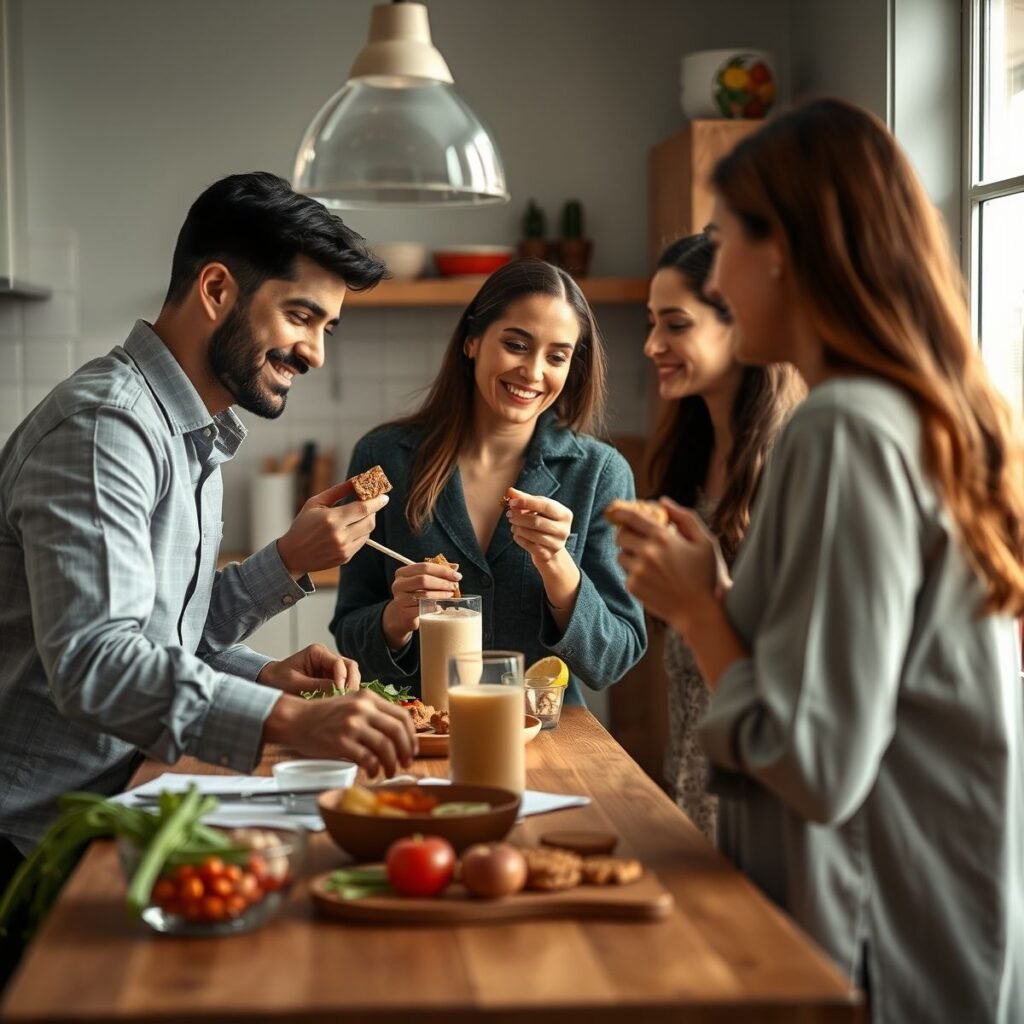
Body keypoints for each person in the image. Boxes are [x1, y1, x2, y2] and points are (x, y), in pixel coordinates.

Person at [613, 98, 1024, 1022]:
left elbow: (818, 762)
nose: (714, 273)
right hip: (921, 932)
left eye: (722, 242)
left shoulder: (843, 430)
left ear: (783, 251)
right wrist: (716, 591)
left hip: (868, 953)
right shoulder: (911, 415)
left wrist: (701, 615)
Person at [0, 172, 419, 882]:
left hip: (114, 808)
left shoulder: (191, 431)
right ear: (218, 290)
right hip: (30, 847)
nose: (316, 352)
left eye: (326, 327)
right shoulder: (107, 428)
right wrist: (285, 720)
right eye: (301, 316)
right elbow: (96, 663)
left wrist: (267, 676)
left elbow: (162, 637)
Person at [331, 258, 646, 707]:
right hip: (414, 738)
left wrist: (558, 564)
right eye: (517, 345)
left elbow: (613, 659)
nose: (534, 372)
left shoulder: (599, 473)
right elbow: (348, 632)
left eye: (556, 356)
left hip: (548, 744)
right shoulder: (383, 459)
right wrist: (394, 619)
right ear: (472, 340)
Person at [643, 234, 801, 841]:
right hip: (691, 783)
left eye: (675, 324)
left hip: (762, 795)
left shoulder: (793, 464)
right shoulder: (687, 459)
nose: (653, 344)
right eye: (652, 323)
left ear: (740, 322)